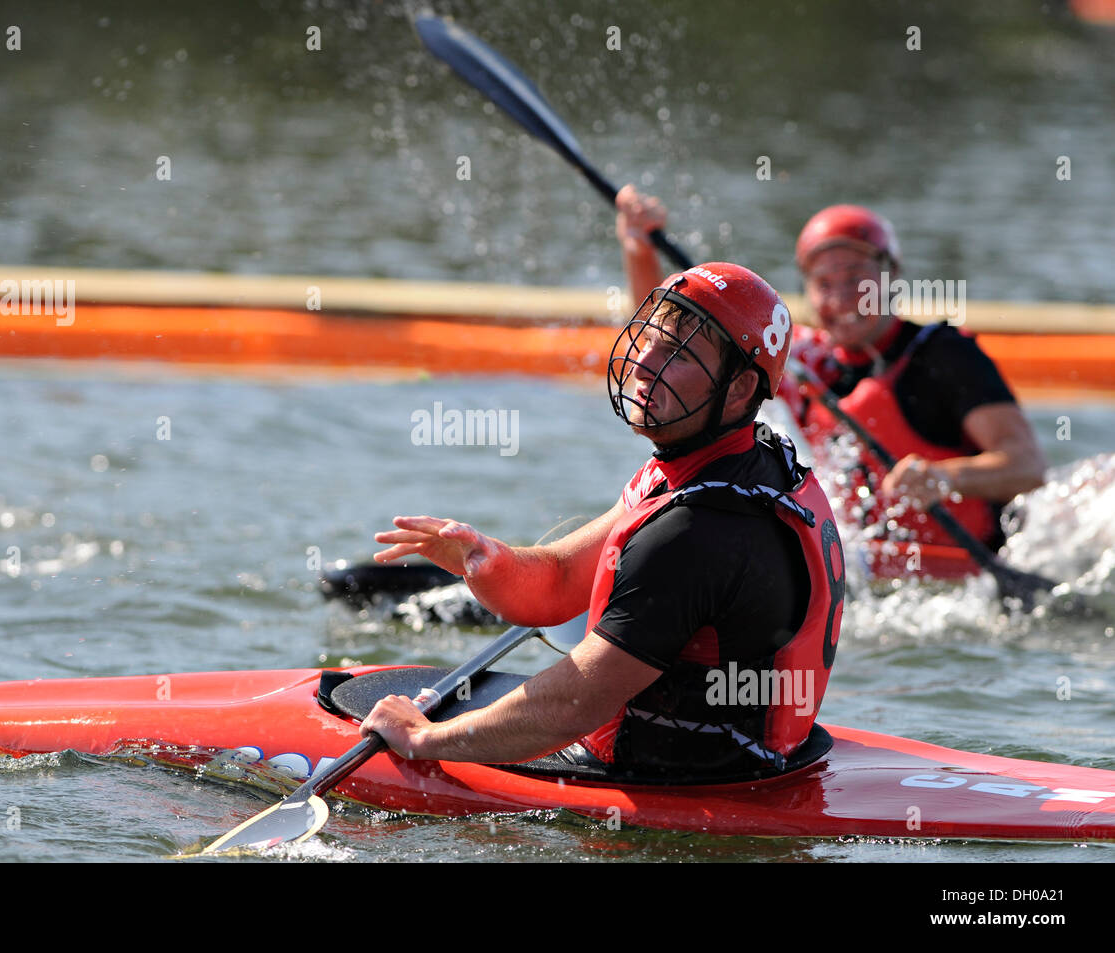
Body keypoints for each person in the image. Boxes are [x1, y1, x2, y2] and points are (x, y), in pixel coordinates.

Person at [361, 263, 845, 780]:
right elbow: (559, 583)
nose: (643, 364)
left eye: (676, 355)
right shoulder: (737, 462)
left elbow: (576, 705)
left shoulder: (699, 531)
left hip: (689, 774)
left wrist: (420, 738)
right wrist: (484, 559)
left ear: (740, 388)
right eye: (651, 339)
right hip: (761, 755)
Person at [615, 187, 1046, 550]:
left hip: (976, 567)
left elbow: (1027, 465)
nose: (842, 295)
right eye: (824, 282)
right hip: (874, 579)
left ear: (891, 276)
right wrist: (639, 251)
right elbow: (671, 348)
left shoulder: (945, 356)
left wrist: (941, 477)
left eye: (857, 275)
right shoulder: (802, 360)